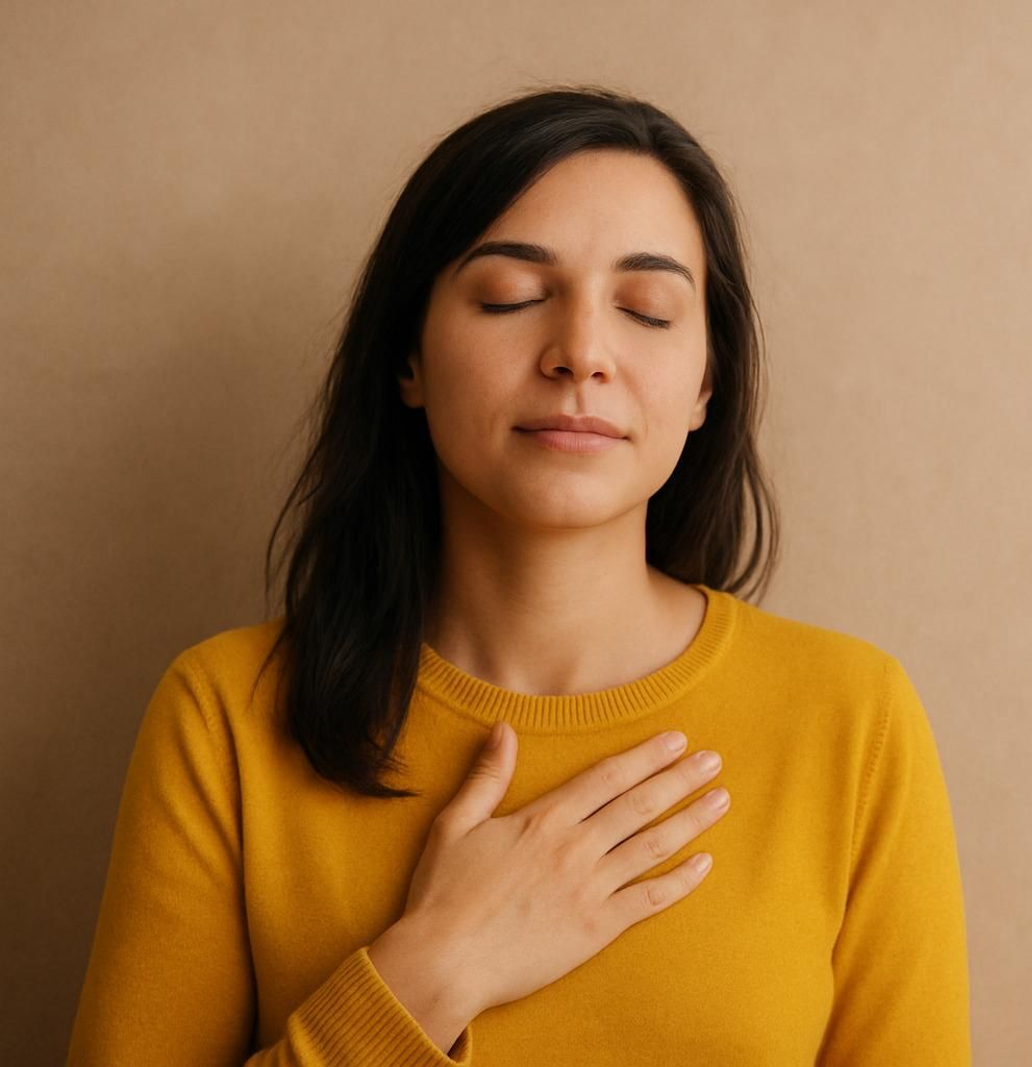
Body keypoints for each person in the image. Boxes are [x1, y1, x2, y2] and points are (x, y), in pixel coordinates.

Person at [65, 84, 970, 1065]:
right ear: (406, 355)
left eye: (648, 308)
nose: (581, 352)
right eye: (511, 296)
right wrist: (434, 968)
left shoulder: (851, 716)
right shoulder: (226, 715)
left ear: (708, 382)